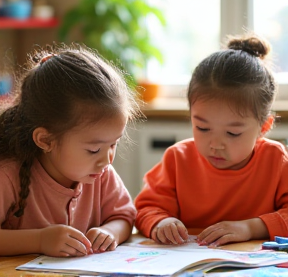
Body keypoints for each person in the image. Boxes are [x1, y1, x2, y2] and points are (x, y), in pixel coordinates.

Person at [135, 33, 288, 247]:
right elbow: (146, 208)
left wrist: (250, 227)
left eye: (233, 133)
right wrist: (161, 222)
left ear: (264, 127)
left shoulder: (276, 160)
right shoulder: (178, 158)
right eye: (202, 128)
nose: (215, 144)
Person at [0, 44, 142, 257]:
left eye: (114, 145)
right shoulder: (8, 175)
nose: (107, 160)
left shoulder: (100, 174)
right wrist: (40, 240)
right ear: (45, 140)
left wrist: (110, 232)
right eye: (94, 150)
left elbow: (124, 217)